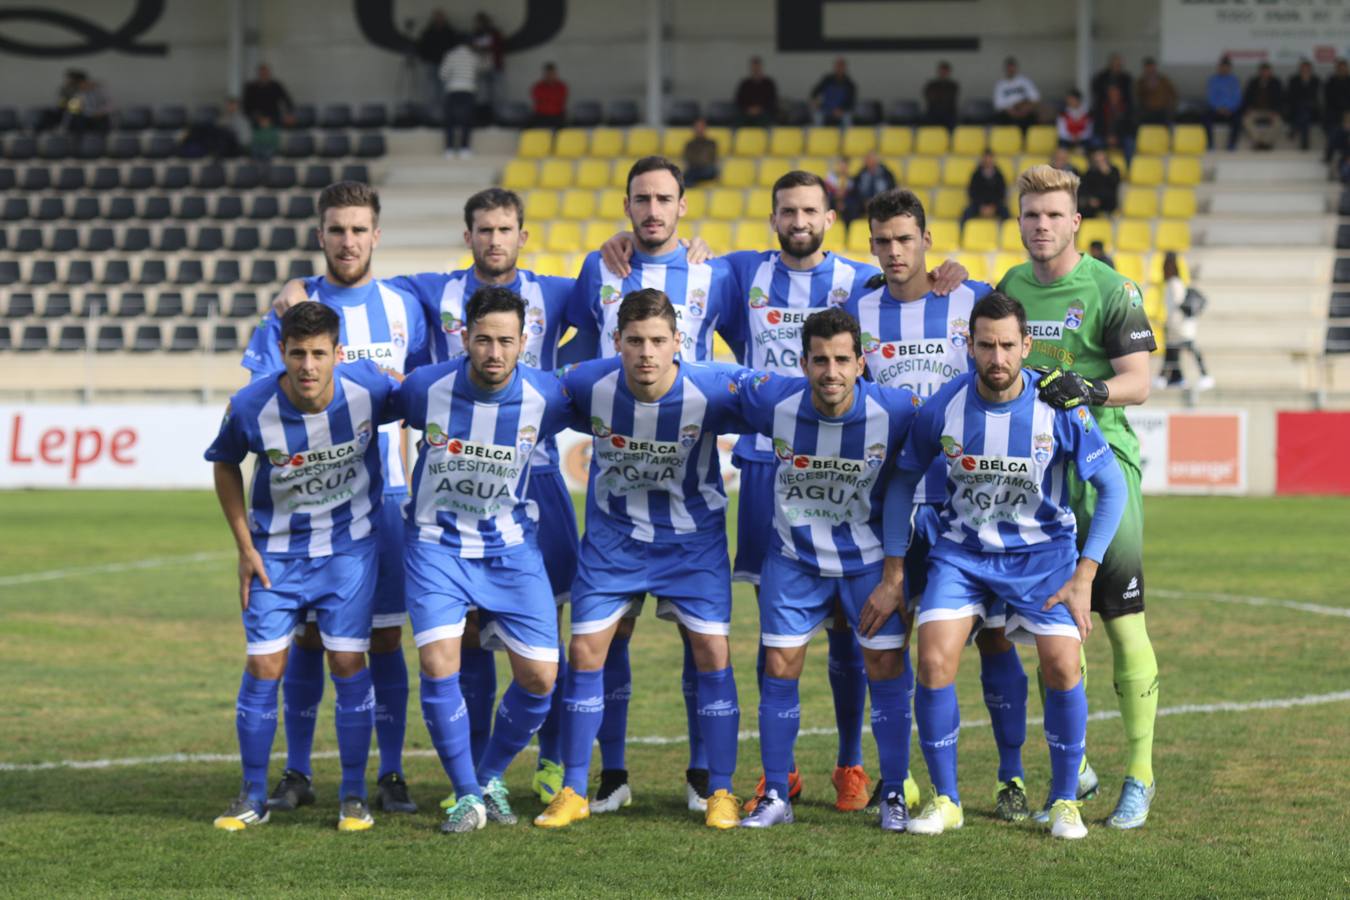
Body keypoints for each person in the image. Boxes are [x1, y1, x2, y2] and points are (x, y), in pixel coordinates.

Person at [597, 173, 972, 817]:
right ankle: (778, 775)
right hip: (770, 464)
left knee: (857, 640)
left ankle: (854, 766)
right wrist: (627, 245)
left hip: (855, 462)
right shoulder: (740, 271)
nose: (799, 219)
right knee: (770, 636)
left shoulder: (861, 279)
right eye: (787, 210)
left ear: (830, 217)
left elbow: (909, 280)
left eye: (810, 210)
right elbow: (676, 296)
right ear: (772, 218)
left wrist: (950, 272)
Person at [266, 186, 594, 807]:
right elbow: (349, 285)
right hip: (438, 497)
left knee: (550, 634)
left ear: (523, 235)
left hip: (534, 486)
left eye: (506, 230)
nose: (495, 240)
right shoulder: (422, 296)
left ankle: (552, 763)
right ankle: (467, 779)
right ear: (467, 236)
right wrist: (298, 291)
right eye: (484, 230)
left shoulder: (556, 296)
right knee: (455, 640)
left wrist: (633, 246)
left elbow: (622, 308)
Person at [885, 291, 1127, 839]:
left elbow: (1110, 488)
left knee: (1064, 666)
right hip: (963, 555)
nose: (997, 358)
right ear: (968, 345)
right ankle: (948, 799)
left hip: (1043, 559)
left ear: (1027, 345)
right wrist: (895, 569)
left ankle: (1065, 800)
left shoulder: (1058, 406)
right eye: (986, 345)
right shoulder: (944, 405)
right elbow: (902, 481)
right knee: (934, 659)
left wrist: (1084, 577)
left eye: (1008, 346)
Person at [240, 182, 430, 819]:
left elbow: (424, 387)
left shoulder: (406, 306)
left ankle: (392, 773)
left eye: (359, 229)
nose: (348, 241)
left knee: (381, 641)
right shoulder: (293, 309)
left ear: (377, 234)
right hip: (300, 513)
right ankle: (297, 771)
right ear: (320, 235)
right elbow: (265, 395)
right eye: (336, 229)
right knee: (305, 641)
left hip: (389, 498)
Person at [535, 289, 751, 831]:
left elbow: (784, 404)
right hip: (614, 541)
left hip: (692, 542)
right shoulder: (588, 383)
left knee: (710, 650)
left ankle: (720, 789)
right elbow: (522, 396)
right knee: (586, 651)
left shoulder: (715, 388)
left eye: (658, 341)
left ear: (679, 342)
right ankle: (574, 788)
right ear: (618, 342)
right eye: (635, 341)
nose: (647, 353)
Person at [567, 157, 741, 813]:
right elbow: (571, 355)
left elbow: (753, 342)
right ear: (626, 203)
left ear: (683, 206)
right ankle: (610, 776)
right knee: (609, 637)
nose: (652, 210)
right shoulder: (598, 267)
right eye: (641, 198)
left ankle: (705, 776)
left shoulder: (715, 272)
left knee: (705, 644)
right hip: (617, 503)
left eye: (664, 198)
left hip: (691, 495)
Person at [997, 165, 1160, 830]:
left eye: (1054, 215)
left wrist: (1087, 390)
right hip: (1036, 477)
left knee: (1122, 623)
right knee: (1051, 631)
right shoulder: (1008, 286)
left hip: (1101, 471)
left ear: (1076, 222)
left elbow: (1140, 381)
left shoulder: (1109, 288)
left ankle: (1140, 775)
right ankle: (1078, 770)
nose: (1042, 225)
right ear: (1021, 219)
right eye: (1032, 214)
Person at [207, 302, 400, 832]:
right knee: (264, 667)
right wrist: (245, 547)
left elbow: (427, 401)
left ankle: (354, 794)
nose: (308, 366)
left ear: (338, 353)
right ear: (282, 354)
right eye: (297, 354)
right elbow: (224, 464)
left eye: (319, 354)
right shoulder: (251, 406)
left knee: (346, 664)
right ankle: (251, 794)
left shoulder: (372, 388)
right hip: (276, 556)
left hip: (349, 552)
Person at [396, 285, 578, 833]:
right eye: (483, 340)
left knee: (541, 677)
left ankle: (490, 774)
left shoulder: (549, 396)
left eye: (506, 341)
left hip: (511, 548)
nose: (494, 352)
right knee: (437, 663)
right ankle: (468, 796)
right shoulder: (423, 389)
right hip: (436, 545)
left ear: (525, 341)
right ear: (464, 338)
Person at [734, 308, 920, 832]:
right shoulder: (775, 402)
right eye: (820, 360)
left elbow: (948, 431)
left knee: (885, 669)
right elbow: (708, 386)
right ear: (803, 362)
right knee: (780, 666)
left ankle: (894, 794)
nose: (831, 372)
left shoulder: (897, 411)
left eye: (842, 359)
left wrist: (898, 574)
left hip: (868, 566)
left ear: (862, 363)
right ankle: (774, 792)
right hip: (794, 561)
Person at [848, 188, 998, 813]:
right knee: (885, 646)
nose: (893, 251)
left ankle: (1010, 776)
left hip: (968, 506)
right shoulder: (859, 310)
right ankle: (895, 779)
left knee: (990, 640)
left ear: (927, 241)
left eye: (905, 239)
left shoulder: (969, 297)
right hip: (894, 504)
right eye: (882, 241)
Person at [1157, 252, 1212, 391]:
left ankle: (1204, 376)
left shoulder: (1174, 283)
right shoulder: (1174, 283)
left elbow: (1176, 306)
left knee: (1184, 349)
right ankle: (1176, 378)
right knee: (1174, 351)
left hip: (1180, 325)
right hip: (1180, 325)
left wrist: (1169, 325)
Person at [440, 39, 478, 157]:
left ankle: (449, 150)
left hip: (453, 90)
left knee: (450, 121)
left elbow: (443, 74)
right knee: (467, 120)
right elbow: (479, 71)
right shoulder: (473, 56)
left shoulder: (450, 55)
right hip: (468, 90)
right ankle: (465, 149)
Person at [417, 11, 459, 110]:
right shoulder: (428, 32)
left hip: (445, 63)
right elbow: (422, 47)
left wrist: (451, 61)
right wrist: (424, 58)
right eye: (437, 18)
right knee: (431, 87)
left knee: (444, 86)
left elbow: (453, 47)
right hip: (432, 62)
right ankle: (432, 110)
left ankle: (444, 110)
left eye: (441, 18)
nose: (439, 20)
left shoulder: (449, 32)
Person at [1243, 63, 1284, 150]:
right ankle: (1258, 141)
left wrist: (1276, 110)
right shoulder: (1253, 82)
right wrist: (1248, 108)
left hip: (1271, 111)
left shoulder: (1276, 82)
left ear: (1270, 72)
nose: (1265, 73)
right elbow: (1247, 97)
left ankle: (1266, 142)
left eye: (1267, 71)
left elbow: (1281, 99)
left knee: (1278, 122)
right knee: (1246, 120)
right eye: (1263, 71)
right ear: (1260, 72)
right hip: (1256, 110)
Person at [470, 12, 505, 116]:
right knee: (482, 93)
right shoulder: (475, 34)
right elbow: (472, 49)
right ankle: (484, 114)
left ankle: (498, 115)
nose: (478, 24)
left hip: (494, 66)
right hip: (481, 67)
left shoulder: (494, 33)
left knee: (497, 93)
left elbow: (500, 47)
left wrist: (487, 48)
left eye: (480, 22)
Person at [1205, 57, 1242, 151]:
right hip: (1216, 110)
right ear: (1219, 68)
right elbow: (1210, 97)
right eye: (1222, 67)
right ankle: (1210, 144)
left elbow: (1237, 97)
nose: (1224, 69)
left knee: (1238, 121)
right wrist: (1218, 108)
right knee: (1206, 119)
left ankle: (1231, 145)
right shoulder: (1213, 80)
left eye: (1227, 67)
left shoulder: (1234, 80)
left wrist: (1230, 109)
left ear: (1230, 68)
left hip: (1230, 111)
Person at [962, 151, 1010, 224]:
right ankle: (962, 234)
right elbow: (972, 192)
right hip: (978, 205)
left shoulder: (999, 175)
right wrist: (981, 207)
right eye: (986, 159)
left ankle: (1008, 234)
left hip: (995, 205)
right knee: (966, 214)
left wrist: (993, 207)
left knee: (1006, 214)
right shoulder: (976, 174)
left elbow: (1002, 193)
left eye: (990, 159)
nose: (988, 161)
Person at [993, 57, 1040, 130]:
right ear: (1005, 69)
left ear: (1016, 68)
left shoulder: (1025, 81)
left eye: (1012, 68)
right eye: (1009, 68)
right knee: (999, 118)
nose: (1011, 70)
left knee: (1034, 117)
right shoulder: (1000, 84)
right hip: (1008, 113)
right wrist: (1012, 111)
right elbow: (998, 105)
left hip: (1025, 110)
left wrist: (1025, 109)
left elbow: (1035, 98)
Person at [849, 153, 897, 223]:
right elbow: (855, 190)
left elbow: (892, 189)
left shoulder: (886, 174)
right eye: (868, 160)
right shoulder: (861, 174)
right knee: (851, 206)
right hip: (863, 204)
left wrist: (878, 201)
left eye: (872, 160)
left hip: (882, 202)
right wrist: (864, 201)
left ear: (877, 161)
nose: (870, 162)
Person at [242, 64, 294, 128]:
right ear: (258, 74)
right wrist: (258, 117)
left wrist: (289, 114)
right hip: (257, 117)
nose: (264, 75)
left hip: (274, 116)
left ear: (269, 73)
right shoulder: (251, 87)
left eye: (266, 73)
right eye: (262, 73)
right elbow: (246, 105)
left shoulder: (276, 86)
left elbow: (287, 100)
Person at [1286, 60, 1321, 151]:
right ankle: (1305, 143)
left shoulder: (1315, 80)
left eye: (1307, 68)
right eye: (1303, 68)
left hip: (1312, 108)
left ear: (1310, 69)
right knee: (1304, 113)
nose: (1305, 70)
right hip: (1296, 108)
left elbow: (1315, 95)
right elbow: (1291, 95)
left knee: (1306, 110)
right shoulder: (1294, 79)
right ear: (1300, 69)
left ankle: (1294, 129)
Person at [811, 58, 857, 127]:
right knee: (817, 115)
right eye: (838, 66)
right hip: (826, 108)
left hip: (842, 110)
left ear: (845, 68)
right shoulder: (827, 80)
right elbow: (815, 92)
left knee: (848, 118)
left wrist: (841, 109)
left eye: (841, 66)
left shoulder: (850, 84)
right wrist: (815, 101)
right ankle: (819, 136)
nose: (839, 68)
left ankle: (848, 137)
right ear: (834, 67)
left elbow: (851, 102)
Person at [1095, 84, 1135, 161]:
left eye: (1116, 94)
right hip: (1105, 137)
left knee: (1130, 142)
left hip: (1121, 137)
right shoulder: (1102, 107)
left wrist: (1117, 137)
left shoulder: (1126, 108)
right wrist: (1107, 136)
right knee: (1095, 141)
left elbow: (1130, 126)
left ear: (1120, 95)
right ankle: (1098, 167)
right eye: (1111, 93)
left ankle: (1129, 168)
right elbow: (1097, 125)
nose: (1113, 96)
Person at [735, 56, 779, 126]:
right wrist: (749, 109)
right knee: (737, 120)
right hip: (747, 113)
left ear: (761, 68)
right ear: (751, 68)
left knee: (767, 120)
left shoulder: (769, 83)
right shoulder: (744, 84)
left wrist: (759, 109)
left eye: (757, 67)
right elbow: (738, 101)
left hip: (764, 113)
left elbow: (772, 101)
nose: (756, 69)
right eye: (754, 67)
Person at [1078, 148, 1121, 218]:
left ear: (1107, 160)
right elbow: (1084, 187)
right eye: (1097, 161)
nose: (1100, 163)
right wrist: (1089, 199)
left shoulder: (1114, 170)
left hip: (1108, 201)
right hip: (1093, 201)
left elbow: (1115, 184)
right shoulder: (1091, 172)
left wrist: (1107, 173)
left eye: (1102, 160)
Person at [1135, 57, 1178, 126]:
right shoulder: (1141, 82)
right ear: (1145, 69)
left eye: (1151, 67)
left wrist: (1171, 107)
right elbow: (1138, 96)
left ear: (1155, 67)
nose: (1150, 70)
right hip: (1147, 111)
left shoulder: (1163, 80)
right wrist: (1146, 85)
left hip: (1162, 111)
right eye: (1148, 68)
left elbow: (1173, 94)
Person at [1323, 58, 1350, 164]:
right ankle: (1330, 156)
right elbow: (1329, 98)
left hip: (1348, 112)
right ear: (1336, 69)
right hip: (1334, 114)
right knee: (1334, 132)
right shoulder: (1331, 81)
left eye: (1344, 68)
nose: (1342, 70)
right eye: (1340, 68)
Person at [1091, 54, 1133, 118]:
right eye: (1115, 64)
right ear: (1110, 64)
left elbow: (1129, 94)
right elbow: (1096, 91)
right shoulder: (1101, 77)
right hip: (1104, 107)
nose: (1117, 66)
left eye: (1119, 64)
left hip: (1121, 108)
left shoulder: (1126, 78)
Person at [530, 62, 569, 129]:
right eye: (548, 73)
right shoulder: (538, 86)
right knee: (539, 133)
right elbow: (538, 99)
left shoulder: (561, 86)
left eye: (552, 73)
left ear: (555, 74)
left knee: (562, 133)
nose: (550, 76)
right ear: (544, 74)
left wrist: (549, 97)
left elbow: (560, 99)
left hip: (558, 116)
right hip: (542, 116)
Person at [683, 118, 719, 187]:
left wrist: (698, 160)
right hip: (694, 169)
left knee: (691, 176)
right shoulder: (690, 144)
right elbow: (689, 158)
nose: (699, 129)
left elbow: (709, 158)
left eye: (701, 126)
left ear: (705, 128)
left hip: (707, 169)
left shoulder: (711, 143)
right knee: (686, 175)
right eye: (697, 127)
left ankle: (691, 185)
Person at [924, 61, 960, 130]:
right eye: (942, 71)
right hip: (933, 112)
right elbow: (930, 98)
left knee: (952, 120)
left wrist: (938, 96)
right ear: (938, 72)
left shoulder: (953, 85)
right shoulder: (931, 85)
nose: (943, 73)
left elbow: (949, 98)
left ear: (949, 72)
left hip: (948, 113)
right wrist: (940, 97)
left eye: (945, 71)